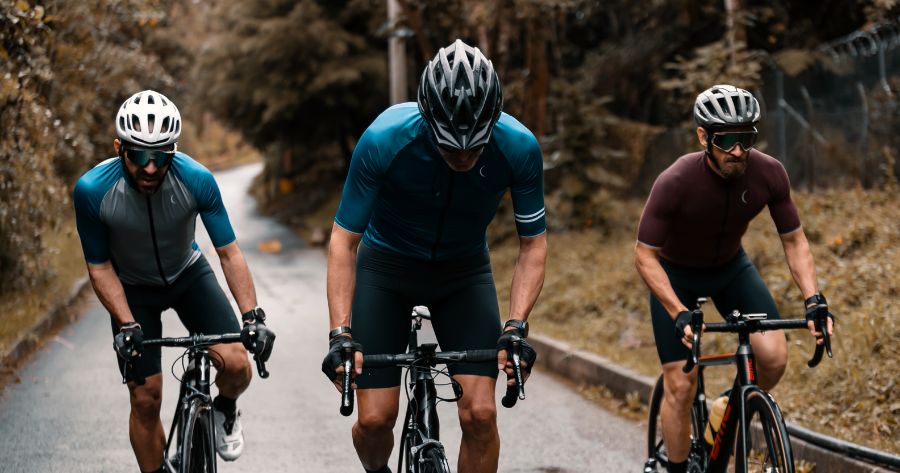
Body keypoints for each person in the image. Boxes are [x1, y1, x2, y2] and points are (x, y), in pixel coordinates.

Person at [322, 39, 546, 473]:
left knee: (481, 414)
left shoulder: (519, 147)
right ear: (428, 120)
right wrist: (340, 335)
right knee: (374, 420)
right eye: (449, 148)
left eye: (474, 148)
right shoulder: (384, 139)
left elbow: (533, 243)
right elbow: (343, 241)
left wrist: (516, 326)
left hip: (463, 273)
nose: (462, 156)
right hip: (386, 269)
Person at [634, 84, 835, 473]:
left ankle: (726, 407)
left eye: (746, 138)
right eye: (726, 140)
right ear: (704, 137)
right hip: (675, 276)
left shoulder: (769, 173)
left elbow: (794, 241)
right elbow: (644, 255)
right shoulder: (676, 181)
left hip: (730, 270)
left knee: (773, 359)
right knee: (681, 384)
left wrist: (813, 299)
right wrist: (677, 311)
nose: (738, 150)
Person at [73, 90, 275, 473]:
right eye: (139, 156)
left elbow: (229, 252)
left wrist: (252, 317)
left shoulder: (196, 179)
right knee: (145, 398)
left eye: (162, 156)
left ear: (173, 151)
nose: (151, 168)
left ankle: (225, 409)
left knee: (236, 365)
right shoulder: (92, 191)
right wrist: (126, 324)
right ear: (119, 149)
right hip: (133, 290)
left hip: (188, 274)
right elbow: (99, 267)